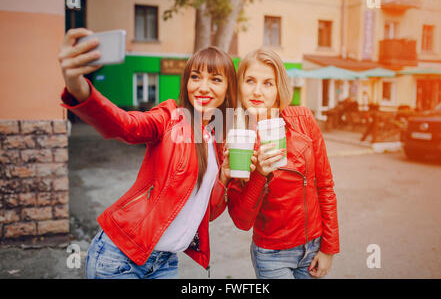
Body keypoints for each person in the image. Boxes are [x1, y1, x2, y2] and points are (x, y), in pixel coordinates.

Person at [58, 28, 237, 279]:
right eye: (195, 77)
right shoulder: (169, 118)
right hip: (120, 258)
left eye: (216, 79)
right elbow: (126, 125)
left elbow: (205, 213)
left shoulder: (215, 139)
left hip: (164, 263)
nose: (203, 87)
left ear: (229, 89)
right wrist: (78, 87)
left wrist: (224, 178)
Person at [225, 48, 340, 279]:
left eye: (268, 83)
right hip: (272, 255)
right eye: (250, 81)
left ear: (278, 90)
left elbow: (325, 186)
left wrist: (329, 247)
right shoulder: (235, 138)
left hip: (314, 247)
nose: (257, 91)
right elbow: (241, 221)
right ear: (239, 86)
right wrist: (259, 175)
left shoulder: (303, 119)